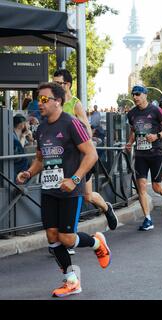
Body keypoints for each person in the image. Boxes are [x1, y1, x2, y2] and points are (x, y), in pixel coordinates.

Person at [16, 82, 111, 297]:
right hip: (49, 188)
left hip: (70, 190)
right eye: (37, 99)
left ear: (57, 101)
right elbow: (40, 159)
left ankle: (98, 243)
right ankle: (71, 280)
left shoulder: (71, 123)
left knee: (67, 238)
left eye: (43, 99)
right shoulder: (41, 128)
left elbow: (91, 154)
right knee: (52, 237)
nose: (38, 104)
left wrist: (75, 178)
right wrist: (29, 173)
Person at [53, 69, 117, 233]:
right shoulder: (53, 104)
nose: (53, 86)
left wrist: (73, 130)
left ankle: (105, 208)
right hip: (60, 158)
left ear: (67, 85)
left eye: (57, 83)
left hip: (80, 158)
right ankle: (67, 235)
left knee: (85, 196)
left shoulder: (75, 104)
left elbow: (88, 131)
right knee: (68, 195)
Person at [125, 85, 162, 231]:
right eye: (133, 94)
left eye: (138, 94)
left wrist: (156, 136)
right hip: (140, 154)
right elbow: (134, 130)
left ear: (145, 95)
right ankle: (147, 219)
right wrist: (129, 143)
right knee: (141, 187)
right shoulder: (132, 113)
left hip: (156, 153)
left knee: (156, 186)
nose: (135, 97)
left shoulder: (155, 110)